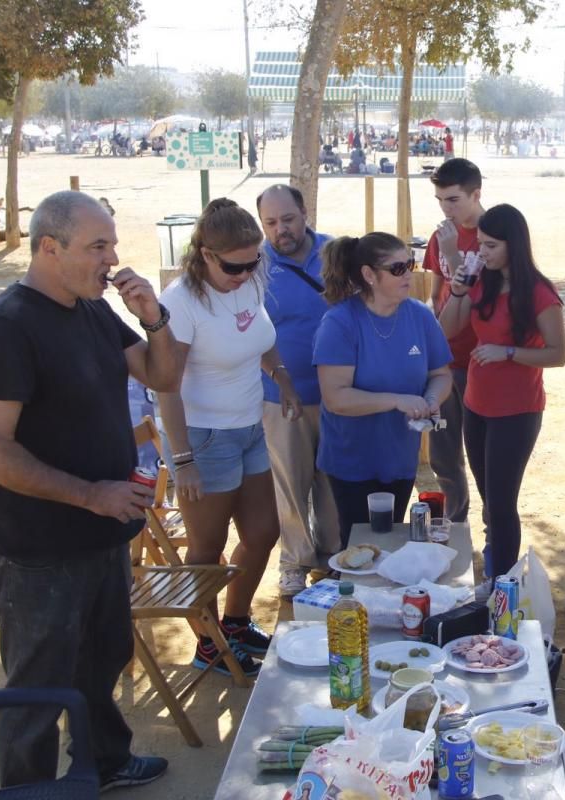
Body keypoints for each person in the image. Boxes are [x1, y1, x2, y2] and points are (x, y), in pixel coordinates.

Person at [0, 191, 180, 789]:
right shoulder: (6, 328)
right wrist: (91, 495)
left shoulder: (91, 309)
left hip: (101, 539)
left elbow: (162, 376)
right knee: (35, 700)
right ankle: (27, 791)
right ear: (49, 248)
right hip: (37, 554)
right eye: (97, 246)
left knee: (101, 665)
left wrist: (153, 317)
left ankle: (106, 762)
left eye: (111, 244)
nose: (112, 259)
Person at [157, 198, 296, 676]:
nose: (246, 273)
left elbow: (261, 337)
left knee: (262, 532)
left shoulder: (250, 279)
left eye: (254, 261)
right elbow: (165, 385)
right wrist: (183, 458)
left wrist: (281, 376)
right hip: (203, 436)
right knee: (206, 548)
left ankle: (234, 624)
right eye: (235, 266)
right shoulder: (180, 302)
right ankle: (208, 644)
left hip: (249, 426)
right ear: (206, 256)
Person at [438, 204, 565, 589]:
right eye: (480, 244)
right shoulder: (481, 280)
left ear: (514, 244)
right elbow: (447, 329)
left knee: (501, 500)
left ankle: (502, 584)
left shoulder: (540, 293)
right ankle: (496, 567)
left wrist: (507, 352)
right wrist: (458, 288)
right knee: (487, 496)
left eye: (491, 245)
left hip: (517, 410)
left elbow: (557, 354)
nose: (482, 253)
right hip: (477, 404)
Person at [314, 233, 452, 545]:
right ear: (368, 275)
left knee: (390, 541)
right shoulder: (339, 322)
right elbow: (336, 398)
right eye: (398, 268)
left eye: (411, 264)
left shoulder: (420, 315)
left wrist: (429, 400)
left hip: (400, 456)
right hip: (351, 460)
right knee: (359, 548)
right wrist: (398, 401)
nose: (409, 274)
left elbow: (441, 374)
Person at [255, 185, 341, 598]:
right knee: (289, 483)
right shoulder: (253, 267)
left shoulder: (336, 254)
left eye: (287, 219)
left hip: (338, 394)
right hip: (280, 398)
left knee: (332, 480)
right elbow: (249, 334)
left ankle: (330, 558)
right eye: (270, 223)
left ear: (304, 212)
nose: (280, 230)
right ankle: (293, 562)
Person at [424, 158, 485, 523]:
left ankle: (496, 536)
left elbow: (489, 299)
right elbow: (437, 292)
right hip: (446, 362)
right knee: (444, 456)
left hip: (482, 361)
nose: (446, 209)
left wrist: (452, 254)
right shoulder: (440, 236)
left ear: (476, 194)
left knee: (484, 458)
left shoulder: (494, 235)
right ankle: (455, 525)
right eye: (440, 201)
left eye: (453, 200)